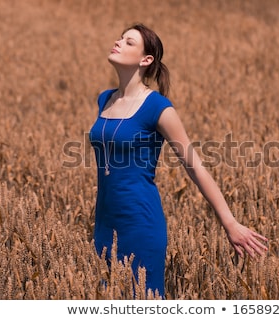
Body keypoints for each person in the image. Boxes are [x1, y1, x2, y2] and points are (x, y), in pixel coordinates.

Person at [89, 23, 268, 298]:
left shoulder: (158, 108)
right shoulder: (105, 99)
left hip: (140, 223)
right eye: (119, 38)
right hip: (104, 223)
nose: (117, 42)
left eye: (128, 42)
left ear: (145, 60)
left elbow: (195, 166)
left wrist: (230, 223)